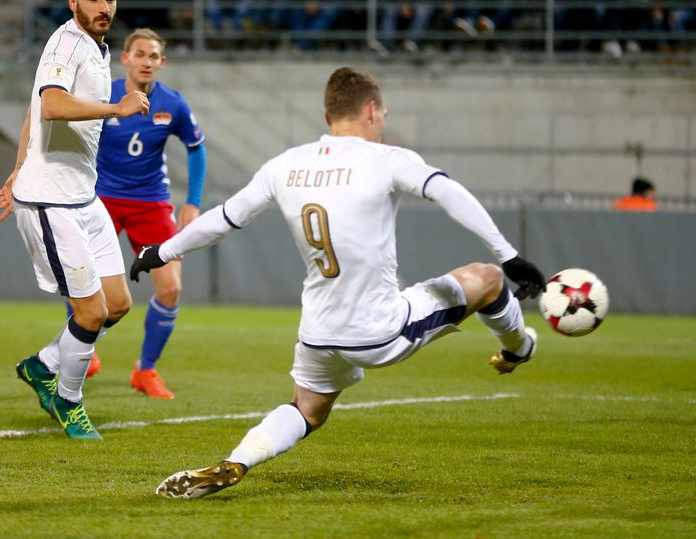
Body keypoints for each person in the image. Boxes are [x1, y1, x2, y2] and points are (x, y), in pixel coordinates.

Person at [130, 66, 546, 498]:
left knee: (307, 410)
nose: (382, 123)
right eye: (382, 114)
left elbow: (223, 220)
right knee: (490, 278)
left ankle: (237, 460)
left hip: (319, 332)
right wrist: (508, 253)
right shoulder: (387, 159)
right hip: (378, 329)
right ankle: (520, 348)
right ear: (370, 109)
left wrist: (161, 251)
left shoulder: (287, 164)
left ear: (328, 116)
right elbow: (448, 191)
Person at [0, 0, 150, 439]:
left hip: (83, 197)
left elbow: (33, 111)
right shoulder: (64, 44)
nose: (105, 8)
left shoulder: (96, 50)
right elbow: (53, 105)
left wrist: (19, 163)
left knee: (116, 304)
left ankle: (42, 365)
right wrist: (116, 107)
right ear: (73, 3)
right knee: (91, 313)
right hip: (50, 204)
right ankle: (68, 401)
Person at [94, 27, 207, 399]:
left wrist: (192, 201)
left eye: (153, 56)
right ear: (125, 59)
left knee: (171, 287)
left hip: (152, 202)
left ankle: (145, 370)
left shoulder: (172, 104)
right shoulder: (102, 95)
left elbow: (196, 147)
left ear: (162, 62)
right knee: (88, 280)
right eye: (139, 54)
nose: (146, 61)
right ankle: (84, 349)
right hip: (102, 199)